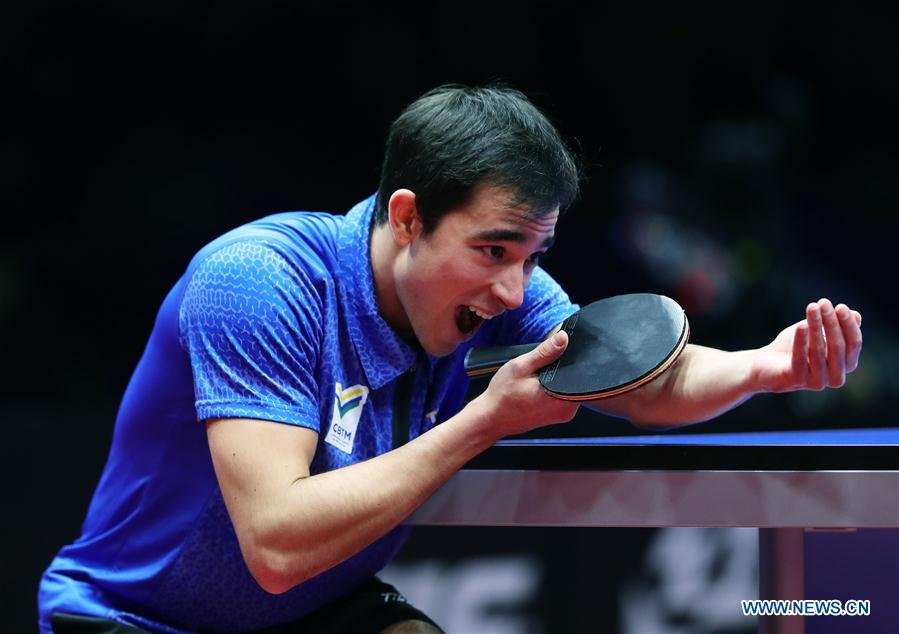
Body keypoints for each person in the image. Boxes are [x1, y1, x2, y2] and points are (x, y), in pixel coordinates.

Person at [39, 84, 863, 634]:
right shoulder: (260, 283)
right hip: (132, 618)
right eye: (493, 248)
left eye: (534, 253)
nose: (514, 288)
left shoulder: (502, 295)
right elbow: (277, 543)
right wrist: (482, 423)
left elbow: (651, 383)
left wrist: (765, 365)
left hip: (313, 618)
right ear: (406, 217)